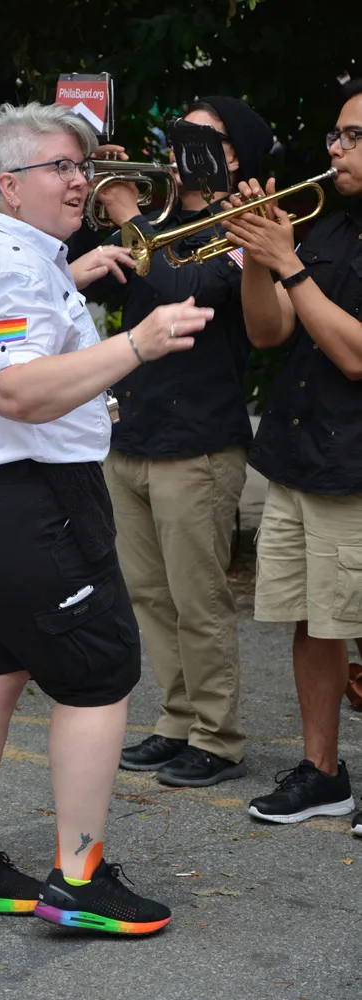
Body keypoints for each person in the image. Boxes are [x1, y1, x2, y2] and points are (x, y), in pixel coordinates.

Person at [0, 101, 214, 932]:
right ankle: (78, 882)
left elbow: (2, 341)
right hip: (20, 501)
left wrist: (66, 280)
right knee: (98, 676)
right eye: (60, 169)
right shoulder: (12, 267)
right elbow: (14, 390)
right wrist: (137, 343)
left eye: (81, 166)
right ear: (9, 185)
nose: (80, 181)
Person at [91, 98, 274, 786]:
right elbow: (85, 269)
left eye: (202, 135)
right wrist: (97, 199)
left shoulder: (242, 226)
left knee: (198, 601)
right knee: (148, 594)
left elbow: (187, 291)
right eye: (178, 132)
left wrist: (126, 214)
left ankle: (217, 737)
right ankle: (175, 721)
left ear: (233, 156)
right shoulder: (157, 217)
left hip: (198, 442)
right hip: (132, 432)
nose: (179, 144)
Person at [223, 79, 362, 838]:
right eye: (336, 134)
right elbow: (268, 331)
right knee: (313, 619)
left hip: (355, 465)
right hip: (300, 453)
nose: (335, 148)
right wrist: (256, 256)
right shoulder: (331, 226)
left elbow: (355, 356)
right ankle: (322, 772)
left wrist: (290, 264)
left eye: (353, 136)